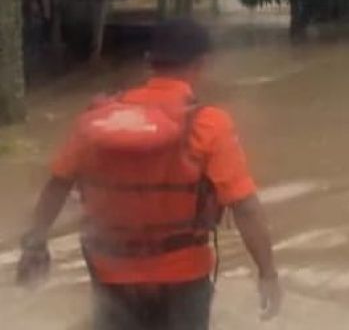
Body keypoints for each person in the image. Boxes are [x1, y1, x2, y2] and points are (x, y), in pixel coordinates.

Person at [16, 18, 282, 329]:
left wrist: (35, 244)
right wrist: (267, 274)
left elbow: (57, 185)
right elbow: (245, 208)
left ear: (148, 61)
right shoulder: (210, 124)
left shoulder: (97, 119)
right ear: (203, 63)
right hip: (183, 276)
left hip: (111, 272)